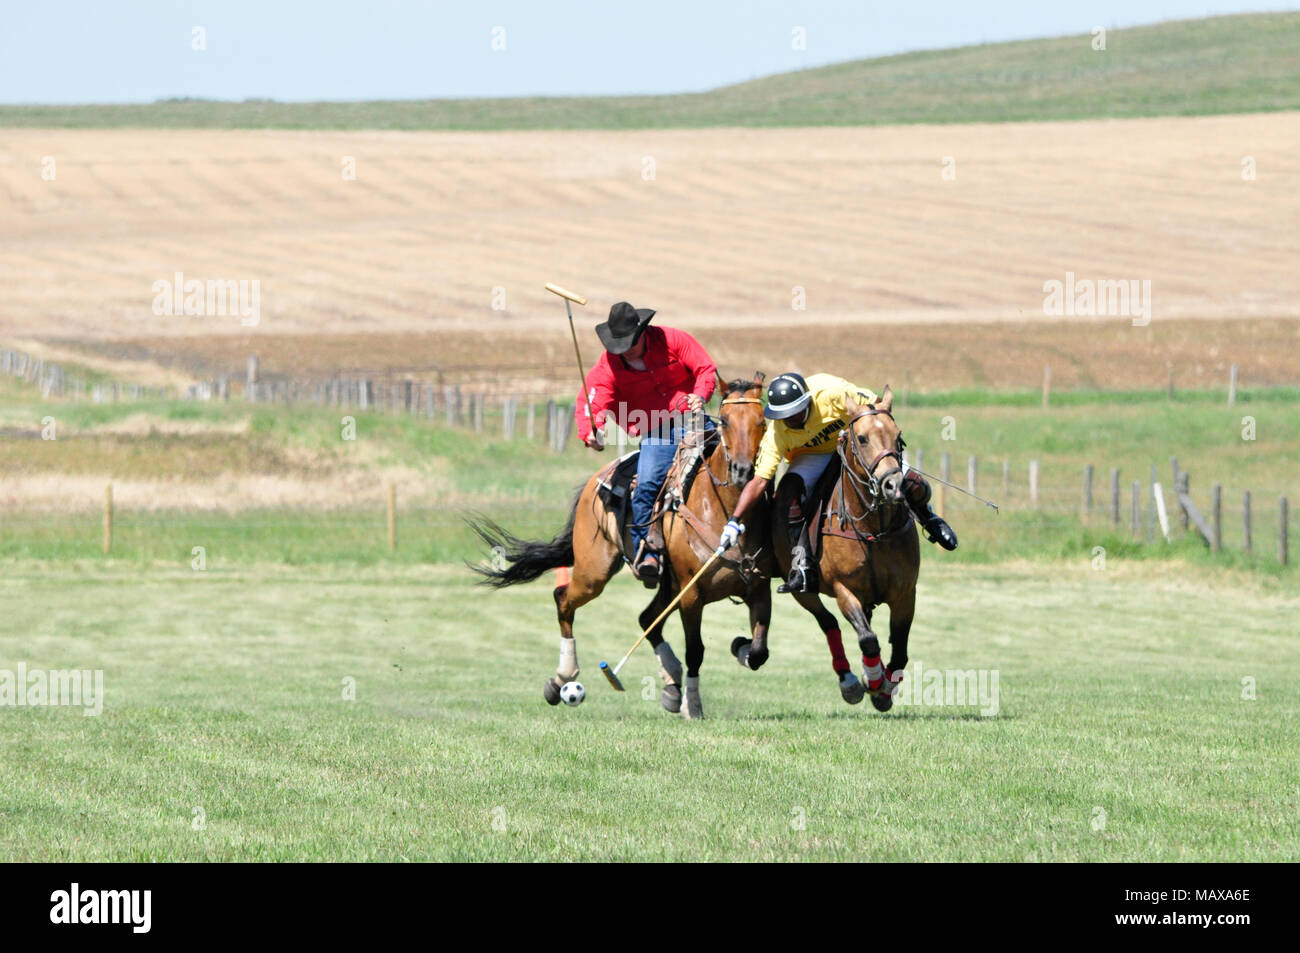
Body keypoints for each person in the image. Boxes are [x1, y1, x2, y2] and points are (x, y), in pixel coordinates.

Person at [718, 371, 957, 593]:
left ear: (806, 402)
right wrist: (734, 522)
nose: (789, 420)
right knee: (788, 492)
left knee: (910, 481)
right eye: (783, 416)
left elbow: (876, 409)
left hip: (856, 444)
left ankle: (929, 519)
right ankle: (802, 561)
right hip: (811, 456)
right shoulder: (777, 433)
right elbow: (759, 482)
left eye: (794, 413)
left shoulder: (832, 393)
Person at [575, 301, 718, 584]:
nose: (625, 349)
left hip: (693, 419)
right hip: (657, 429)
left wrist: (700, 396)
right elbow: (592, 402)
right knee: (647, 484)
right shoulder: (607, 367)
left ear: (643, 331)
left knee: (739, 461)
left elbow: (705, 369)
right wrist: (591, 431)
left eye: (629, 342)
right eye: (619, 344)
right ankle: (646, 550)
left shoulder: (674, 340)